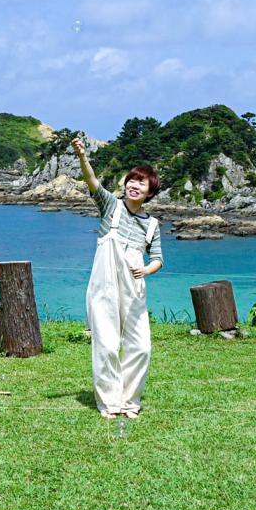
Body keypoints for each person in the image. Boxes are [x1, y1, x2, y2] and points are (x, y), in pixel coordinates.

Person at [71, 136, 163, 418]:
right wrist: (82, 156)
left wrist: (146, 269)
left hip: (134, 287)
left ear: (150, 192)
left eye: (141, 183)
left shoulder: (152, 224)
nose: (134, 185)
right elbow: (92, 182)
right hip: (104, 284)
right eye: (131, 181)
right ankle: (110, 403)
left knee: (141, 347)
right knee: (107, 344)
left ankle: (130, 401)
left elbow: (158, 259)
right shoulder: (111, 206)